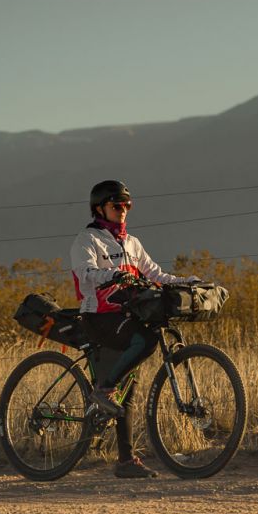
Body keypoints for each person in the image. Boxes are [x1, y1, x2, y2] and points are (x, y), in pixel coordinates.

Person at [70, 180, 198, 478]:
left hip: (126, 315)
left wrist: (184, 282)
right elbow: (84, 273)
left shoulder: (131, 242)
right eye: (117, 206)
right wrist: (114, 274)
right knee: (146, 341)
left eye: (127, 205)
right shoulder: (87, 240)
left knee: (128, 389)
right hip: (98, 317)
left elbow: (155, 273)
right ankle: (102, 390)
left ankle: (126, 461)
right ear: (100, 208)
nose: (123, 211)